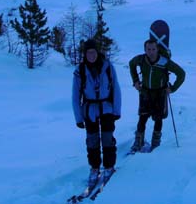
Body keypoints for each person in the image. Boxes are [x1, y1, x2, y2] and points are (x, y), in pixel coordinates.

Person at [72, 39, 122, 186]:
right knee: (92, 141)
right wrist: (78, 117)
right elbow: (75, 95)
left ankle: (109, 167)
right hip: (89, 110)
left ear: (97, 52)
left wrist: (117, 110)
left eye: (93, 52)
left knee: (107, 138)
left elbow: (116, 89)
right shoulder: (80, 70)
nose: (91, 55)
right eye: (88, 53)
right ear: (85, 54)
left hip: (106, 107)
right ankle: (94, 168)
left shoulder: (108, 67)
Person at [129, 39, 185, 151]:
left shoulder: (164, 62)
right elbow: (131, 63)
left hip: (160, 94)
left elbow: (181, 74)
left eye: (153, 49)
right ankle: (138, 143)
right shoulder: (141, 59)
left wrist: (172, 88)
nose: (151, 52)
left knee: (158, 119)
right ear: (145, 49)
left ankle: (155, 144)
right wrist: (135, 81)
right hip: (145, 92)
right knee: (142, 118)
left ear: (157, 49)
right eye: (148, 49)